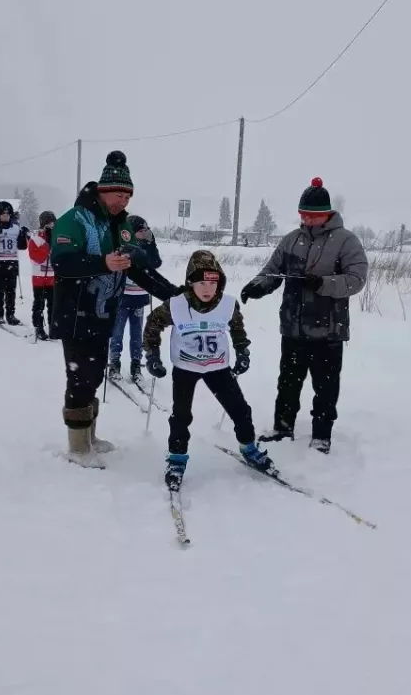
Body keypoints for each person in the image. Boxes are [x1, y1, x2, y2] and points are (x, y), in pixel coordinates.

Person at [50, 150, 180, 464]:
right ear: (102, 191)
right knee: (80, 377)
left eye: (128, 195)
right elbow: (61, 262)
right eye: (119, 194)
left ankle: (90, 435)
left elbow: (135, 268)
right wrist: (102, 262)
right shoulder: (74, 219)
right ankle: (78, 447)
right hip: (76, 311)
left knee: (94, 376)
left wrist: (174, 295)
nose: (124, 201)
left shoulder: (121, 226)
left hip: (103, 312)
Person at [240, 177, 367, 454]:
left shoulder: (346, 241)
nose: (307, 220)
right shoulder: (291, 240)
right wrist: (257, 286)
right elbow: (272, 271)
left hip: (328, 331)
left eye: (313, 215)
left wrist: (322, 283)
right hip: (294, 328)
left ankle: (321, 435)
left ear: (327, 213)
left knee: (325, 387)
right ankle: (282, 427)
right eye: (303, 215)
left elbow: (356, 279)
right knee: (287, 382)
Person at [143, 249, 275, 489]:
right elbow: (152, 324)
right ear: (191, 283)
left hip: (218, 366)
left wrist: (243, 351)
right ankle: (176, 458)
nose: (207, 289)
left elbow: (237, 330)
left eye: (213, 282)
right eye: (201, 282)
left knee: (240, 410)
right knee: (181, 416)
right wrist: (152, 355)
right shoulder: (176, 305)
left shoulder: (227, 304)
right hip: (185, 367)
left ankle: (249, 447)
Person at [108, 214, 162, 381]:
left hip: (139, 297)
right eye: (142, 230)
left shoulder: (147, 246)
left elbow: (156, 263)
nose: (145, 233)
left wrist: (151, 242)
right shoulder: (124, 245)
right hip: (121, 297)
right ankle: (114, 363)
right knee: (117, 332)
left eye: (147, 230)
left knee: (137, 333)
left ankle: (136, 364)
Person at [28, 210, 56, 341]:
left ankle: (53, 327)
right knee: (39, 304)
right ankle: (38, 327)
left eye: (53, 223)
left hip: (53, 277)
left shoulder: (56, 237)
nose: (52, 226)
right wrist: (46, 245)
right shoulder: (36, 239)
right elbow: (36, 257)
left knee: (53, 304)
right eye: (49, 224)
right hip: (39, 277)